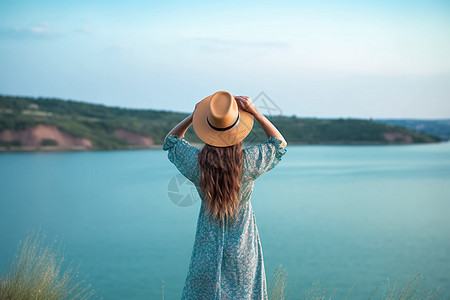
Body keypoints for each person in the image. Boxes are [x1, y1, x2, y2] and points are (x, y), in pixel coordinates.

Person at [163, 91, 288, 299]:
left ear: (207, 130)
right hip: (243, 250)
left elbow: (171, 141)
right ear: (238, 131)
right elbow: (279, 143)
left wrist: (193, 116)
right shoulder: (248, 163)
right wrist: (255, 112)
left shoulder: (197, 165)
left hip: (206, 252)